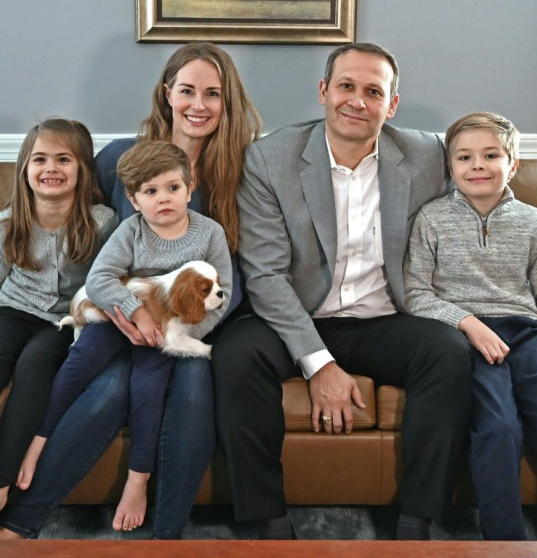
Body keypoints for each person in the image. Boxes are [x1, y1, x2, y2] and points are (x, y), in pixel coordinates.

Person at [0, 42, 261, 539]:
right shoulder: (120, 161)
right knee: (110, 388)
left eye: (213, 94)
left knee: (196, 388)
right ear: (167, 94)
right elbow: (59, 212)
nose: (198, 104)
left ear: (228, 102)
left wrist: (190, 324)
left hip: (201, 321)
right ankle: (20, 523)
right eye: (187, 90)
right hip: (124, 315)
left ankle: (167, 537)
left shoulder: (243, 172)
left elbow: (238, 275)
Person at [211, 42, 476, 541]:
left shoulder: (427, 156)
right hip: (298, 315)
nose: (357, 100)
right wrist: (319, 363)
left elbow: (484, 216)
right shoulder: (270, 158)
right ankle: (267, 522)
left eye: (373, 91)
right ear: (323, 92)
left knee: (448, 352)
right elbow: (266, 275)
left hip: (385, 317)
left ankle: (417, 524)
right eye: (346, 87)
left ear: (391, 104)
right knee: (235, 354)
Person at [403, 111, 537, 541]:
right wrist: (467, 324)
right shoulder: (431, 220)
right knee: (498, 428)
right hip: (467, 338)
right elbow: (415, 294)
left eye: (490, 155)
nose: (476, 165)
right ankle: (506, 543)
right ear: (450, 167)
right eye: (464, 157)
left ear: (512, 164)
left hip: (527, 331)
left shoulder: (534, 222)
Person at [19, 140, 232, 532]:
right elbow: (99, 278)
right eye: (150, 192)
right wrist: (134, 314)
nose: (163, 199)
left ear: (190, 187)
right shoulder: (129, 231)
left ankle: (138, 479)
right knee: (80, 361)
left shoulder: (209, 233)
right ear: (133, 200)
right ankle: (39, 438)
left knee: (146, 391)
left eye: (172, 188)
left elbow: (225, 294)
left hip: (167, 335)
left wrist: (175, 333)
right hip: (119, 321)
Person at [0, 119, 118, 539]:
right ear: (25, 169)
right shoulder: (8, 222)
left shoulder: (104, 223)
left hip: (66, 320)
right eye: (40, 159)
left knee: (34, 369)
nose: (52, 168)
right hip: (11, 309)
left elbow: (109, 278)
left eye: (64, 159)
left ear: (83, 168)